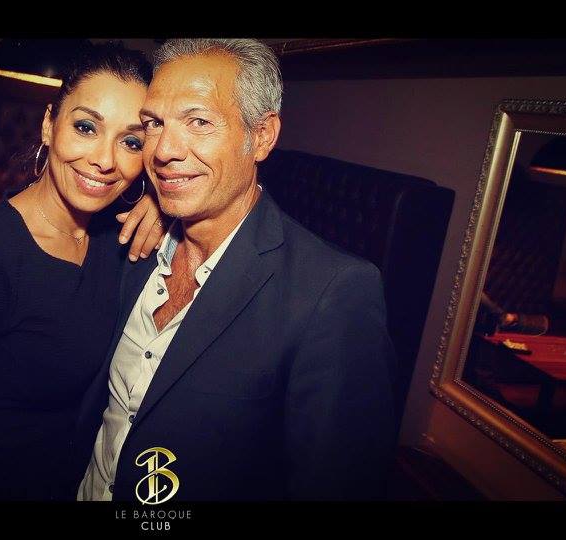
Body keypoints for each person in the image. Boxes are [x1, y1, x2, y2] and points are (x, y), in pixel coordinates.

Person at [75, 39, 398, 501]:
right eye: (154, 124)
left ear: (261, 136)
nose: (163, 150)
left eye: (199, 122)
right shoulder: (132, 244)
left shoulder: (332, 292)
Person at [0, 42, 165, 499]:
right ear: (49, 124)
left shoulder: (115, 243)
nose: (105, 160)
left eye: (131, 142)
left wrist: (164, 206)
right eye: (86, 127)